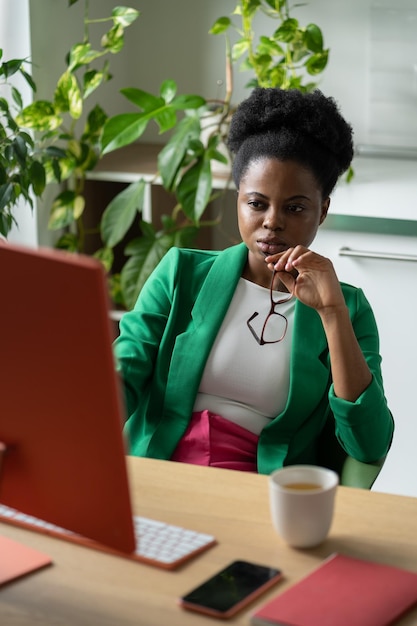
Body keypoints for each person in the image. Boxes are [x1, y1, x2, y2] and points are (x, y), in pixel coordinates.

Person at [114, 87, 394, 475]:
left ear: (323, 211)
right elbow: (122, 373)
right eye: (257, 203)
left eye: (294, 208)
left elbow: (369, 443)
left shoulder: (349, 308)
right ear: (238, 200)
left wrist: (331, 313)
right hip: (163, 473)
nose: (272, 221)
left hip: (262, 492)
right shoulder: (181, 273)